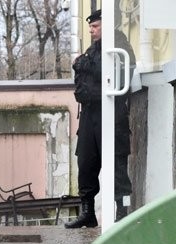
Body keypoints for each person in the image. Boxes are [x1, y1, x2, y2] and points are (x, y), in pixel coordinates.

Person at [65, 9, 135, 228]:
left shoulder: (119, 45)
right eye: (90, 27)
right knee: (86, 162)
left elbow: (112, 77)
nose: (91, 31)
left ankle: (123, 212)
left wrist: (84, 66)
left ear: (107, 24)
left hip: (112, 114)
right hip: (90, 116)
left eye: (95, 26)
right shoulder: (93, 49)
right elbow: (83, 76)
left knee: (116, 166)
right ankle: (87, 212)